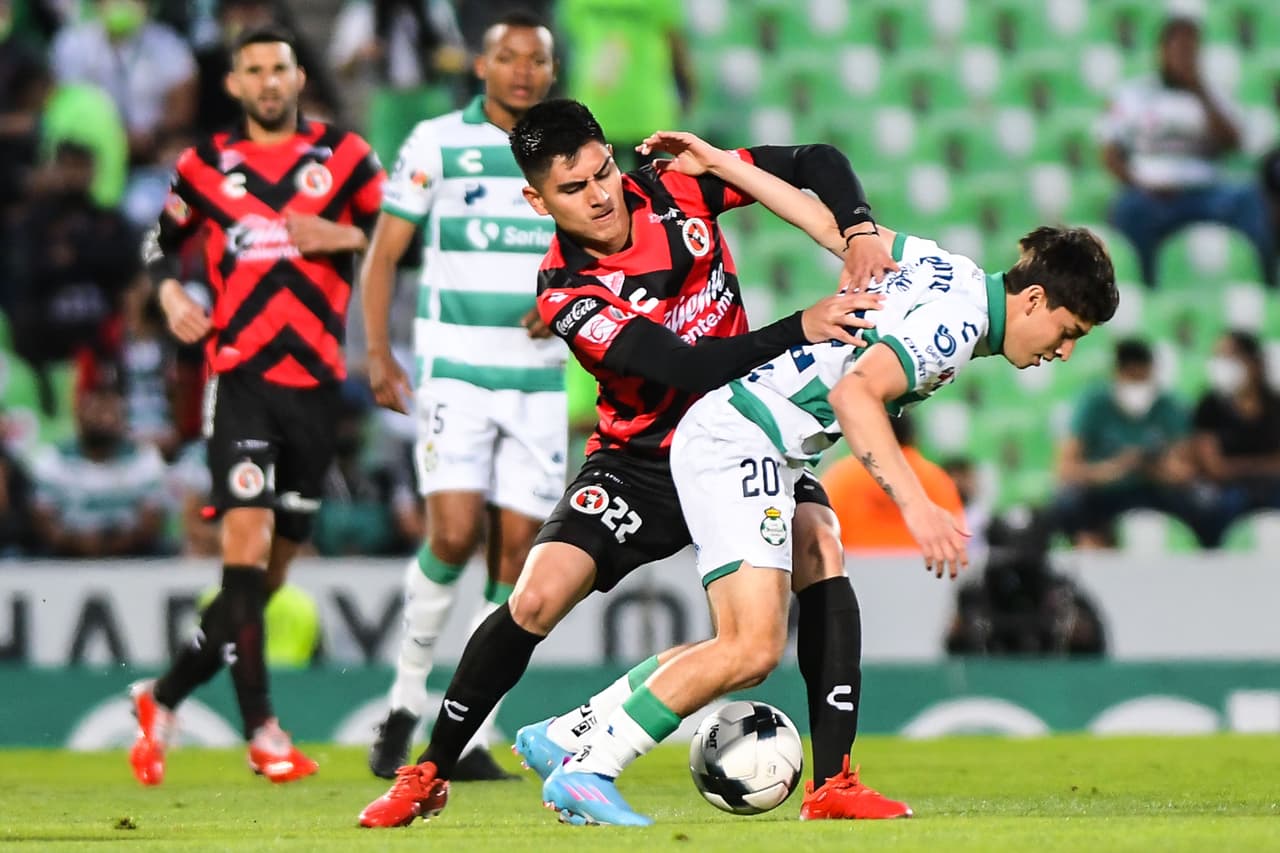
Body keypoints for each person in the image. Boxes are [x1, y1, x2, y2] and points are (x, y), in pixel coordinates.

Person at [358, 98, 906, 828]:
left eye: (603, 171)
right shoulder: (567, 293)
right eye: (574, 188)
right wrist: (801, 326)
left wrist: (860, 227)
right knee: (536, 596)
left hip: (740, 433)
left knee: (820, 544)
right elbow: (682, 368)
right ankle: (429, 771)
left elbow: (813, 162)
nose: (601, 195)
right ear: (537, 199)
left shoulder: (675, 185)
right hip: (640, 460)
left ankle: (833, 781)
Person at [540, 156, 1119, 825]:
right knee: (751, 647)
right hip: (742, 436)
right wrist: (916, 503)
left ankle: (825, 779)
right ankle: (588, 766)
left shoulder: (950, 269)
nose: (1064, 351)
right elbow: (854, 394)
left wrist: (725, 164)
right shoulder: (954, 328)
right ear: (1035, 300)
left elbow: (829, 228)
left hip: (770, 438)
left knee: (822, 563)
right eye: (1068, 333)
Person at [127, 24, 385, 786]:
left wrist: (334, 231)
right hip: (239, 379)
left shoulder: (343, 157)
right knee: (242, 564)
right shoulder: (204, 164)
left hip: (315, 390)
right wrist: (172, 290)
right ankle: (264, 729)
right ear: (234, 85)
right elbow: (157, 244)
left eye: (280, 68)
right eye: (254, 71)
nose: (269, 82)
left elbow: (391, 236)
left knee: (264, 581)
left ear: (299, 76)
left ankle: (164, 693)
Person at [359, 11, 561, 782]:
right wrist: (380, 349)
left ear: (548, 70)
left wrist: (562, 298)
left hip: (539, 380)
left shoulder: (566, 151)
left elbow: (597, 247)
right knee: (450, 535)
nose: (520, 71)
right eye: (506, 58)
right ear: (482, 66)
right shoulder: (437, 142)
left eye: (534, 60)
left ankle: (471, 728)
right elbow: (385, 254)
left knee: (517, 559)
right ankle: (405, 697)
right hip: (455, 373)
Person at [1099, 15, 1274, 287]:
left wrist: (1199, 90)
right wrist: (1138, 184)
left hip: (1205, 191)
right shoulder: (1134, 94)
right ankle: (1144, 290)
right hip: (1152, 192)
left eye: (1190, 50)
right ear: (1162, 51)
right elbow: (1110, 152)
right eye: (1177, 49)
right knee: (1128, 210)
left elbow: (1234, 141)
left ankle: (1266, 283)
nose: (1183, 56)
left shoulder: (1213, 93)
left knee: (1249, 199)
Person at [1052, 338, 1208, 548]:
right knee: (1068, 502)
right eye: (1131, 378)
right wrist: (1113, 469)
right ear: (1117, 374)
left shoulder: (1168, 405)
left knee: (1202, 501)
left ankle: (1201, 553)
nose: (1137, 386)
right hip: (1105, 490)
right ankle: (1090, 551)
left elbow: (1186, 470)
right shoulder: (1093, 404)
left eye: (1142, 378)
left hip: (1153, 488)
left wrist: (1151, 466)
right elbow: (1065, 469)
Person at [29, 376, 167, 557]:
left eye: (112, 412)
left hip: (132, 551)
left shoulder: (144, 458)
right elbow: (43, 520)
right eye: (97, 411)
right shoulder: (52, 459)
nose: (105, 419)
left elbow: (151, 520)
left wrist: (113, 546)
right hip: (67, 552)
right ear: (79, 414)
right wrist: (78, 544)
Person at [49, 0, 197, 167]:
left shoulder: (169, 44)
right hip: (91, 155)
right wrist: (113, 139)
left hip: (153, 151)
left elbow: (181, 106)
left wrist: (152, 136)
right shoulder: (71, 43)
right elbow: (66, 104)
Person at [557, 0, 694, 172]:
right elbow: (676, 42)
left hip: (598, 104)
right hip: (644, 107)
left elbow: (564, 42)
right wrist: (688, 87)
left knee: (601, 184)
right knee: (647, 187)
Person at [820, 413, 965, 552]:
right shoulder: (935, 478)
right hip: (924, 568)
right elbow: (957, 533)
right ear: (912, 436)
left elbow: (823, 532)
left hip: (855, 568)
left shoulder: (843, 476)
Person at [1191, 330, 1280, 545]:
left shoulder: (1275, 405)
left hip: (1273, 485)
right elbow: (1215, 468)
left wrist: (1239, 467)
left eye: (1228, 357)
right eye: (1218, 358)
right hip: (1226, 491)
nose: (1222, 365)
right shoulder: (1210, 406)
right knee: (1220, 506)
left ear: (1253, 362)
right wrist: (1261, 465)